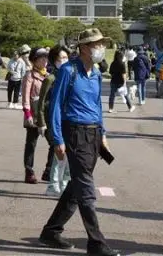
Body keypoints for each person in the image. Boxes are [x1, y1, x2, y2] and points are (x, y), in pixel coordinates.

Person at [39, 28, 119, 256]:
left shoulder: (95, 73)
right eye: (96, 44)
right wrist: (57, 139)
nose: (100, 48)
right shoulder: (68, 71)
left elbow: (98, 105)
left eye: (102, 44)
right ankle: (96, 243)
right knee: (85, 186)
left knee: (76, 185)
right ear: (83, 48)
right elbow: (55, 106)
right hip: (74, 132)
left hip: (93, 134)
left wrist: (103, 132)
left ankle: (51, 231)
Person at [37, 45, 72, 195]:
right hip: (53, 121)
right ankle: (53, 185)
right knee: (58, 153)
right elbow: (41, 103)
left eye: (65, 58)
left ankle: (64, 184)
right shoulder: (51, 78)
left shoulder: (72, 75)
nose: (63, 61)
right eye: (59, 59)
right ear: (53, 61)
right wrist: (42, 123)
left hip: (69, 120)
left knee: (68, 155)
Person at [21, 47, 52, 184]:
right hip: (33, 113)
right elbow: (26, 96)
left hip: (47, 113)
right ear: (35, 61)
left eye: (46, 58)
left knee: (54, 142)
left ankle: (48, 170)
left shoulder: (48, 75)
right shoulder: (29, 75)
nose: (45, 61)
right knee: (31, 144)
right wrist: (27, 113)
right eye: (42, 58)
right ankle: (29, 171)